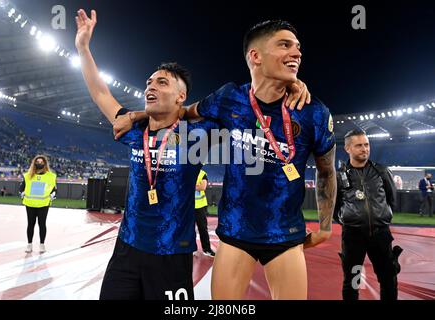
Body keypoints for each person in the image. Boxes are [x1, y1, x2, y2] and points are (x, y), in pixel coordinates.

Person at [114, 20, 337, 300]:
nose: (297, 53)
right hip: (234, 232)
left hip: (285, 235)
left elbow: (327, 171)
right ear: (255, 56)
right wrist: (136, 115)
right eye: (285, 45)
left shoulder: (313, 112)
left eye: (298, 47)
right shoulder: (229, 97)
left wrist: (326, 226)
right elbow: (180, 112)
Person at [334, 129, 403, 300]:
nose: (364, 149)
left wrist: (383, 217)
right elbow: (333, 207)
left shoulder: (381, 171)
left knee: (388, 278)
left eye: (366, 144)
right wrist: (346, 219)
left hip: (381, 235)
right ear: (348, 148)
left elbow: (392, 198)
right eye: (359, 145)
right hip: (353, 237)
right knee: (353, 281)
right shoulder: (339, 176)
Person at [20, 155, 57, 254]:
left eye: (41, 162)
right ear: (34, 163)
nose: (39, 163)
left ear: (45, 164)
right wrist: (22, 193)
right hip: (30, 203)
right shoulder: (28, 175)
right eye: (37, 161)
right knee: (30, 224)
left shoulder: (51, 176)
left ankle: (42, 245)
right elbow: (21, 188)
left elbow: (54, 189)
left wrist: (53, 195)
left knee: (42, 224)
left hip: (44, 204)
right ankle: (29, 244)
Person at [194, 169, 215, 257]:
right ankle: (190, 249)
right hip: (187, 206)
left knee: (203, 228)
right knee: (188, 230)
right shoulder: (185, 171)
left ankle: (207, 249)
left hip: (200, 206)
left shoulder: (202, 173)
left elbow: (202, 187)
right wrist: (196, 185)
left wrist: (188, 185)